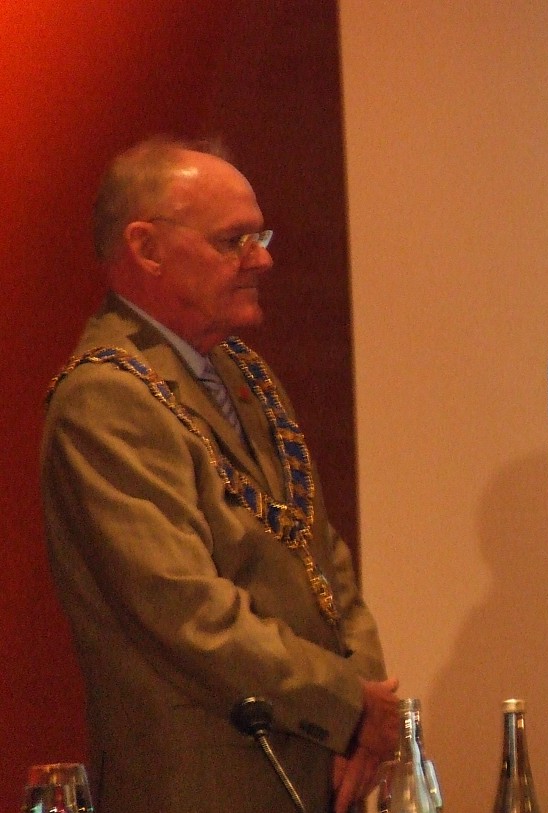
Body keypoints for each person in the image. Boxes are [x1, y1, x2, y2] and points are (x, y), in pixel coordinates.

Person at [41, 137, 399, 813]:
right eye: (234, 240)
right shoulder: (104, 397)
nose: (262, 259)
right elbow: (186, 611)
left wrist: (366, 704)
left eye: (259, 237)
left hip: (316, 768)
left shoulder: (242, 371)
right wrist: (349, 704)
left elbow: (322, 555)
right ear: (146, 247)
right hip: (203, 786)